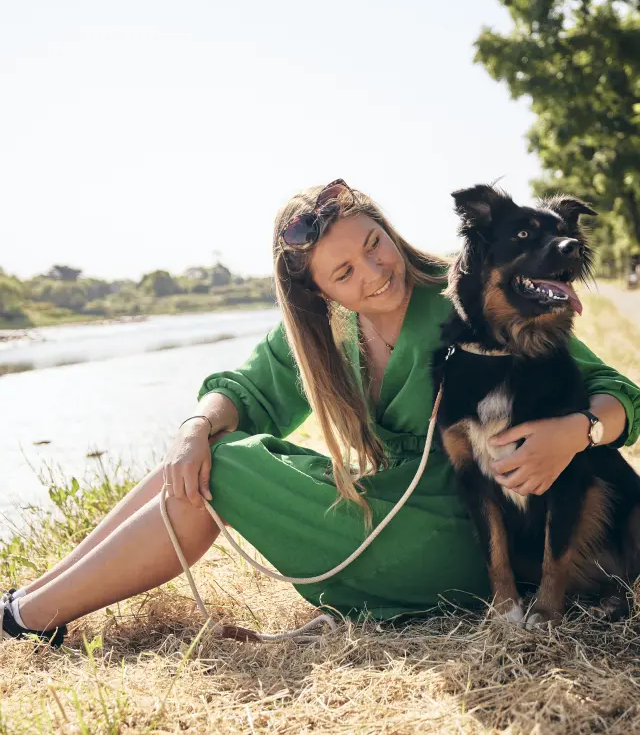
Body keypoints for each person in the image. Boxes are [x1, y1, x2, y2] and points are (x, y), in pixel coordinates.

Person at [2, 179, 639, 645]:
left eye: (374, 244)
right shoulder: (324, 336)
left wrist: (578, 431)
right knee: (198, 456)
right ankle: (31, 601)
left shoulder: (471, 296)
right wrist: (194, 427)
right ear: (320, 291)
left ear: (389, 230)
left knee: (223, 471)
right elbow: (243, 392)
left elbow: (617, 391)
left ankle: (30, 616)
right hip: (387, 511)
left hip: (469, 534)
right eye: (344, 270)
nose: (373, 273)